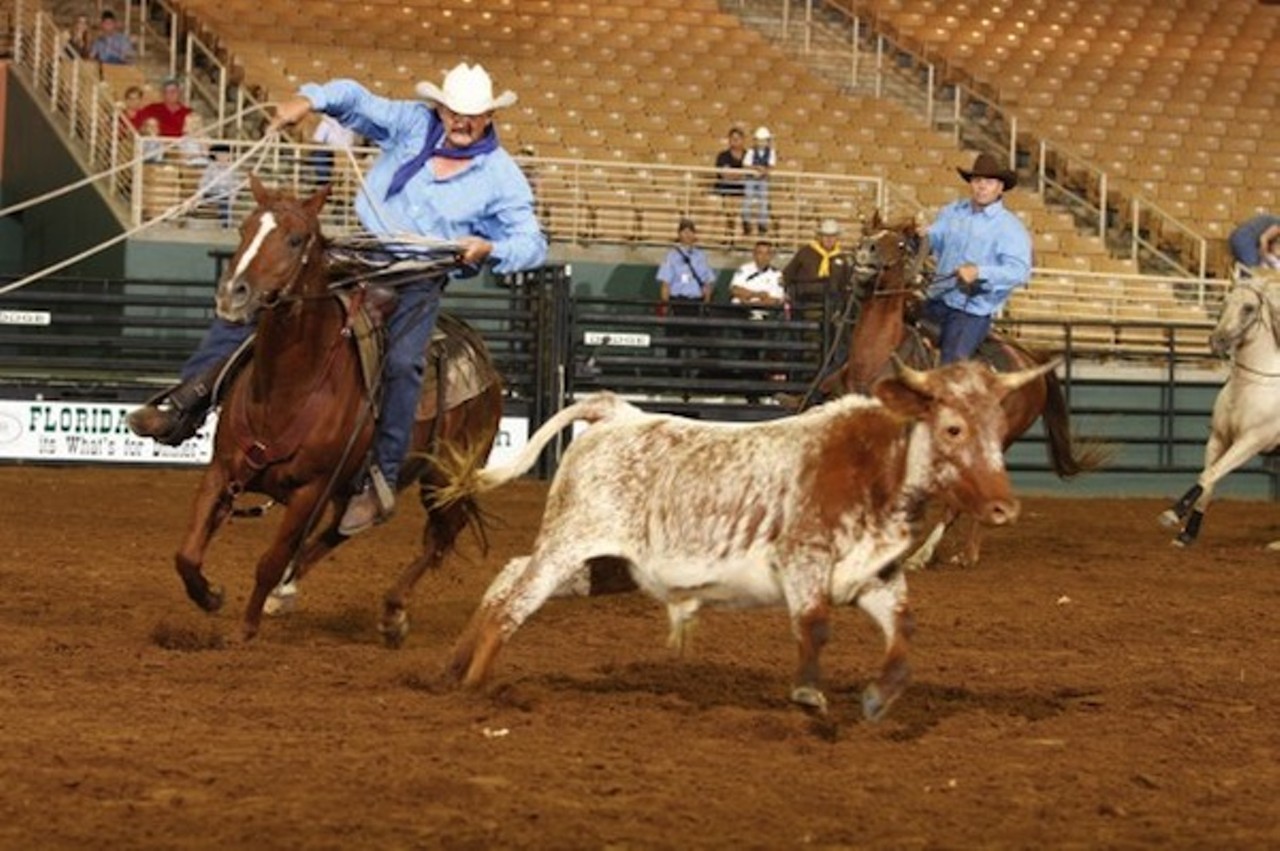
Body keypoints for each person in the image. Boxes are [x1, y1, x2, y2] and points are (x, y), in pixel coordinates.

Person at [126, 62, 547, 536]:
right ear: (441, 107)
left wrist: (490, 248)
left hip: (419, 275)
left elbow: (532, 242)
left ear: (490, 115)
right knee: (263, 295)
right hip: (361, 249)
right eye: (454, 112)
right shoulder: (411, 123)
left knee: (405, 363)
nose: (462, 122)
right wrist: (307, 101)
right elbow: (355, 97)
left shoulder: (501, 176)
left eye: (473, 115)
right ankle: (187, 402)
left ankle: (381, 478)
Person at [921, 152, 1032, 363]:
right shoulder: (952, 211)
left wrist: (979, 272)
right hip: (937, 299)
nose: (982, 186)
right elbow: (935, 238)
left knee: (951, 367)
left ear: (1000, 187)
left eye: (989, 182)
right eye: (977, 180)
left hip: (970, 311)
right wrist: (922, 236)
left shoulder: (1010, 228)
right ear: (971, 183)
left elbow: (1019, 272)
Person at [782, 217, 854, 326]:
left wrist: (840, 307)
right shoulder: (805, 253)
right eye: (826, 235)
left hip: (830, 306)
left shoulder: (841, 258)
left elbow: (844, 285)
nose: (829, 239)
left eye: (833, 236)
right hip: (805, 301)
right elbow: (788, 274)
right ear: (820, 236)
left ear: (837, 238)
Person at [657, 218, 715, 312]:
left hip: (696, 303)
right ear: (679, 234)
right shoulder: (672, 256)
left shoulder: (701, 256)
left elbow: (708, 281)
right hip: (677, 302)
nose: (688, 235)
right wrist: (665, 305)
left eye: (690, 231)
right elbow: (666, 284)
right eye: (684, 231)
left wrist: (706, 303)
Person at [308, 113, 358, 188]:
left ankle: (323, 183)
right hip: (346, 153)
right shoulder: (352, 121)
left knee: (319, 155)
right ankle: (325, 183)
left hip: (338, 152)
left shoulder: (328, 121)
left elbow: (317, 139)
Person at [742, 126, 776, 236]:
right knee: (748, 197)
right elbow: (745, 165)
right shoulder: (751, 151)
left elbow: (771, 166)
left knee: (763, 200)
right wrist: (756, 169)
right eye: (759, 140)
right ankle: (746, 220)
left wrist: (764, 171)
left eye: (764, 141)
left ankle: (762, 223)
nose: (761, 143)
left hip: (763, 179)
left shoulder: (771, 152)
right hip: (751, 179)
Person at [197, 142, 239, 227]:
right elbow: (203, 183)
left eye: (226, 154)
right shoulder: (211, 167)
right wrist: (199, 195)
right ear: (215, 155)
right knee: (223, 199)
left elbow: (235, 185)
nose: (223, 156)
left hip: (225, 195)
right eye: (220, 154)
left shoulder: (233, 168)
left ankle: (225, 225)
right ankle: (225, 223)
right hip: (212, 193)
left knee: (225, 200)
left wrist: (233, 196)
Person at [713, 127, 747, 206]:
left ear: (743, 140)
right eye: (733, 138)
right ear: (729, 140)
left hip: (742, 191)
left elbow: (749, 175)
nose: (735, 140)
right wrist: (741, 175)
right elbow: (725, 174)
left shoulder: (749, 156)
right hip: (724, 190)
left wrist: (734, 174)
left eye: (737, 138)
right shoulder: (722, 156)